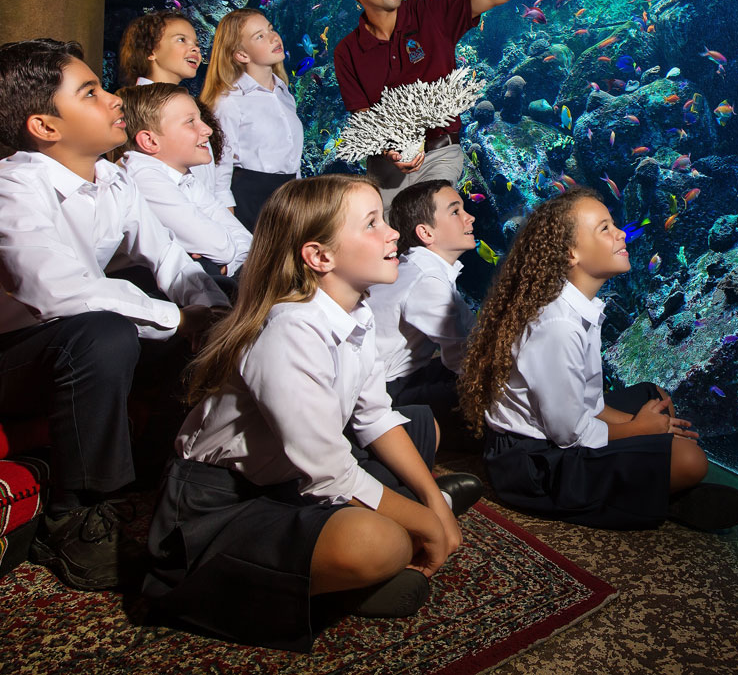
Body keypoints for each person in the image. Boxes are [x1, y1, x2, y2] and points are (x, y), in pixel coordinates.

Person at [0, 38, 230, 591]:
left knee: (194, 302)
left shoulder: (112, 179)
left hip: (57, 340)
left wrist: (212, 315)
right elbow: (58, 293)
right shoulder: (11, 189)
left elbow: (168, 257)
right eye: (91, 92)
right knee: (105, 331)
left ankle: (166, 458)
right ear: (45, 126)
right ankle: (74, 512)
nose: (114, 99)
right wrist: (179, 321)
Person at [143, 175, 484, 649]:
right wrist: (432, 522)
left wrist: (429, 501)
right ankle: (325, 580)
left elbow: (374, 417)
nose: (392, 235)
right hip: (218, 503)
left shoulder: (354, 314)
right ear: (320, 257)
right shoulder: (289, 330)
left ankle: (368, 545)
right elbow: (330, 474)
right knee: (378, 543)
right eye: (372, 224)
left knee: (419, 427)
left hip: (285, 483)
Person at [456, 188, 738, 531]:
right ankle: (658, 497)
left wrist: (639, 427)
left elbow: (589, 401)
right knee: (690, 460)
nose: (621, 233)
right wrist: (638, 429)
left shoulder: (580, 306)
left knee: (654, 396)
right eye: (605, 228)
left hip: (557, 434)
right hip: (533, 465)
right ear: (572, 253)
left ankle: (642, 487)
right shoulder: (559, 325)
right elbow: (568, 432)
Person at [332, 0, 587, 212]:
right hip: (385, 161)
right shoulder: (347, 52)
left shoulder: (432, 13)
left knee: (428, 214)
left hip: (440, 151)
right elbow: (364, 116)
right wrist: (388, 150)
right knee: (389, 234)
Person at [117, 83, 252, 284]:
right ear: (150, 141)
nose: (207, 130)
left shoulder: (185, 178)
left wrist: (220, 261)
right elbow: (220, 247)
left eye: (201, 119)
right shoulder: (142, 176)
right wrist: (220, 255)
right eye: (191, 122)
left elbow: (248, 245)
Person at [365, 179, 475, 417]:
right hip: (384, 391)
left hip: (397, 378)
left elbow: (471, 331)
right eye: (456, 211)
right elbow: (464, 359)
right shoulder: (426, 277)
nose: (470, 217)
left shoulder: (422, 266)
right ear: (425, 233)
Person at [200, 8, 304, 231]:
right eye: (260, 36)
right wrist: (227, 224)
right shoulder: (229, 102)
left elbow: (291, 158)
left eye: (271, 29)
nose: (274, 37)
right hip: (251, 202)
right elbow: (220, 170)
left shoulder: (284, 93)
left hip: (289, 200)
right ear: (241, 55)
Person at [116, 10, 232, 208]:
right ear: (151, 51)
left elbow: (216, 183)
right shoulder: (129, 108)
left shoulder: (193, 106)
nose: (195, 49)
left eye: (196, 43)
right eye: (181, 40)